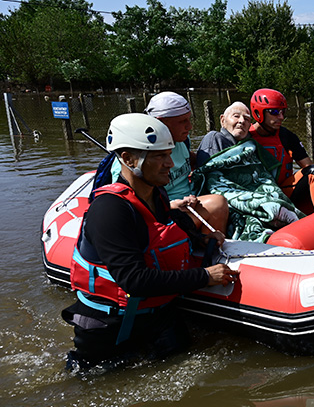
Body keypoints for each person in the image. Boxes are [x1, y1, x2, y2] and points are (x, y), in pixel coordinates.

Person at [62, 113, 239, 371]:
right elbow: (134, 280)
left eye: (169, 154)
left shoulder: (156, 193)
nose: (170, 163)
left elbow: (163, 227)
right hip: (112, 325)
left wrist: (201, 238)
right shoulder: (110, 210)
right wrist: (204, 276)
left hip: (158, 315)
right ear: (128, 159)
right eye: (159, 156)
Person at [143, 91, 229, 233]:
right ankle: (208, 250)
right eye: (183, 121)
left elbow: (193, 160)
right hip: (165, 214)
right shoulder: (139, 158)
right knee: (218, 203)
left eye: (189, 119)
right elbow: (129, 204)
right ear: (160, 122)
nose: (189, 127)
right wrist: (170, 205)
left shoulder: (180, 142)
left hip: (190, 203)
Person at [247, 88, 314, 214]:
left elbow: (311, 168)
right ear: (258, 113)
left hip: (283, 192)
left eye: (283, 112)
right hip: (256, 195)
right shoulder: (245, 136)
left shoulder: (287, 136)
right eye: (274, 112)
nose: (281, 117)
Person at [195, 101, 253, 167]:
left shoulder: (251, 145)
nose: (242, 121)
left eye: (246, 119)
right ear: (223, 120)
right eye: (236, 116)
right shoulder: (215, 139)